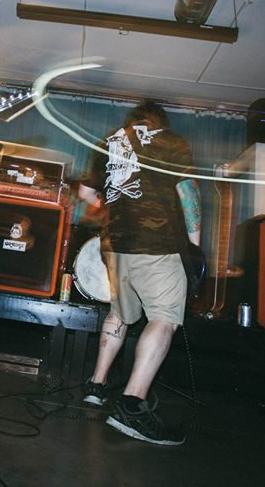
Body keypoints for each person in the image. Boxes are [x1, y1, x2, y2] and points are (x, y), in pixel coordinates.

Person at [77, 100, 201, 445]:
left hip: (116, 244)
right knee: (164, 317)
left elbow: (86, 192)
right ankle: (131, 406)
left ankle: (96, 385)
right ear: (161, 122)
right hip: (158, 242)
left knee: (119, 312)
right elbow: (188, 191)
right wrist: (194, 246)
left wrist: (113, 211)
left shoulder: (109, 140)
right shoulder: (171, 141)